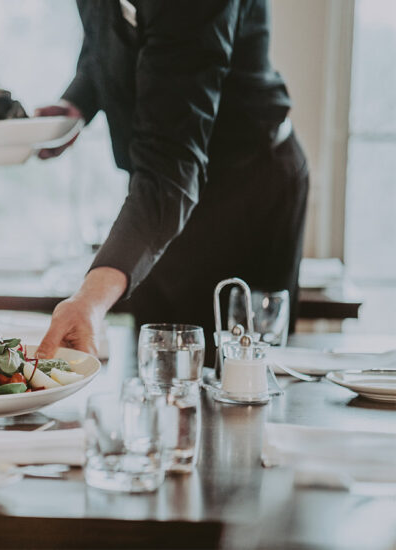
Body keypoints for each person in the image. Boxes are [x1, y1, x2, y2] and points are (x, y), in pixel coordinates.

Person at [35, 0, 309, 361]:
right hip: (161, 189)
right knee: (159, 363)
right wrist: (78, 102)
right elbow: (106, 36)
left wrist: (88, 299)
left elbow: (170, 160)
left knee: (231, 373)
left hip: (241, 187)